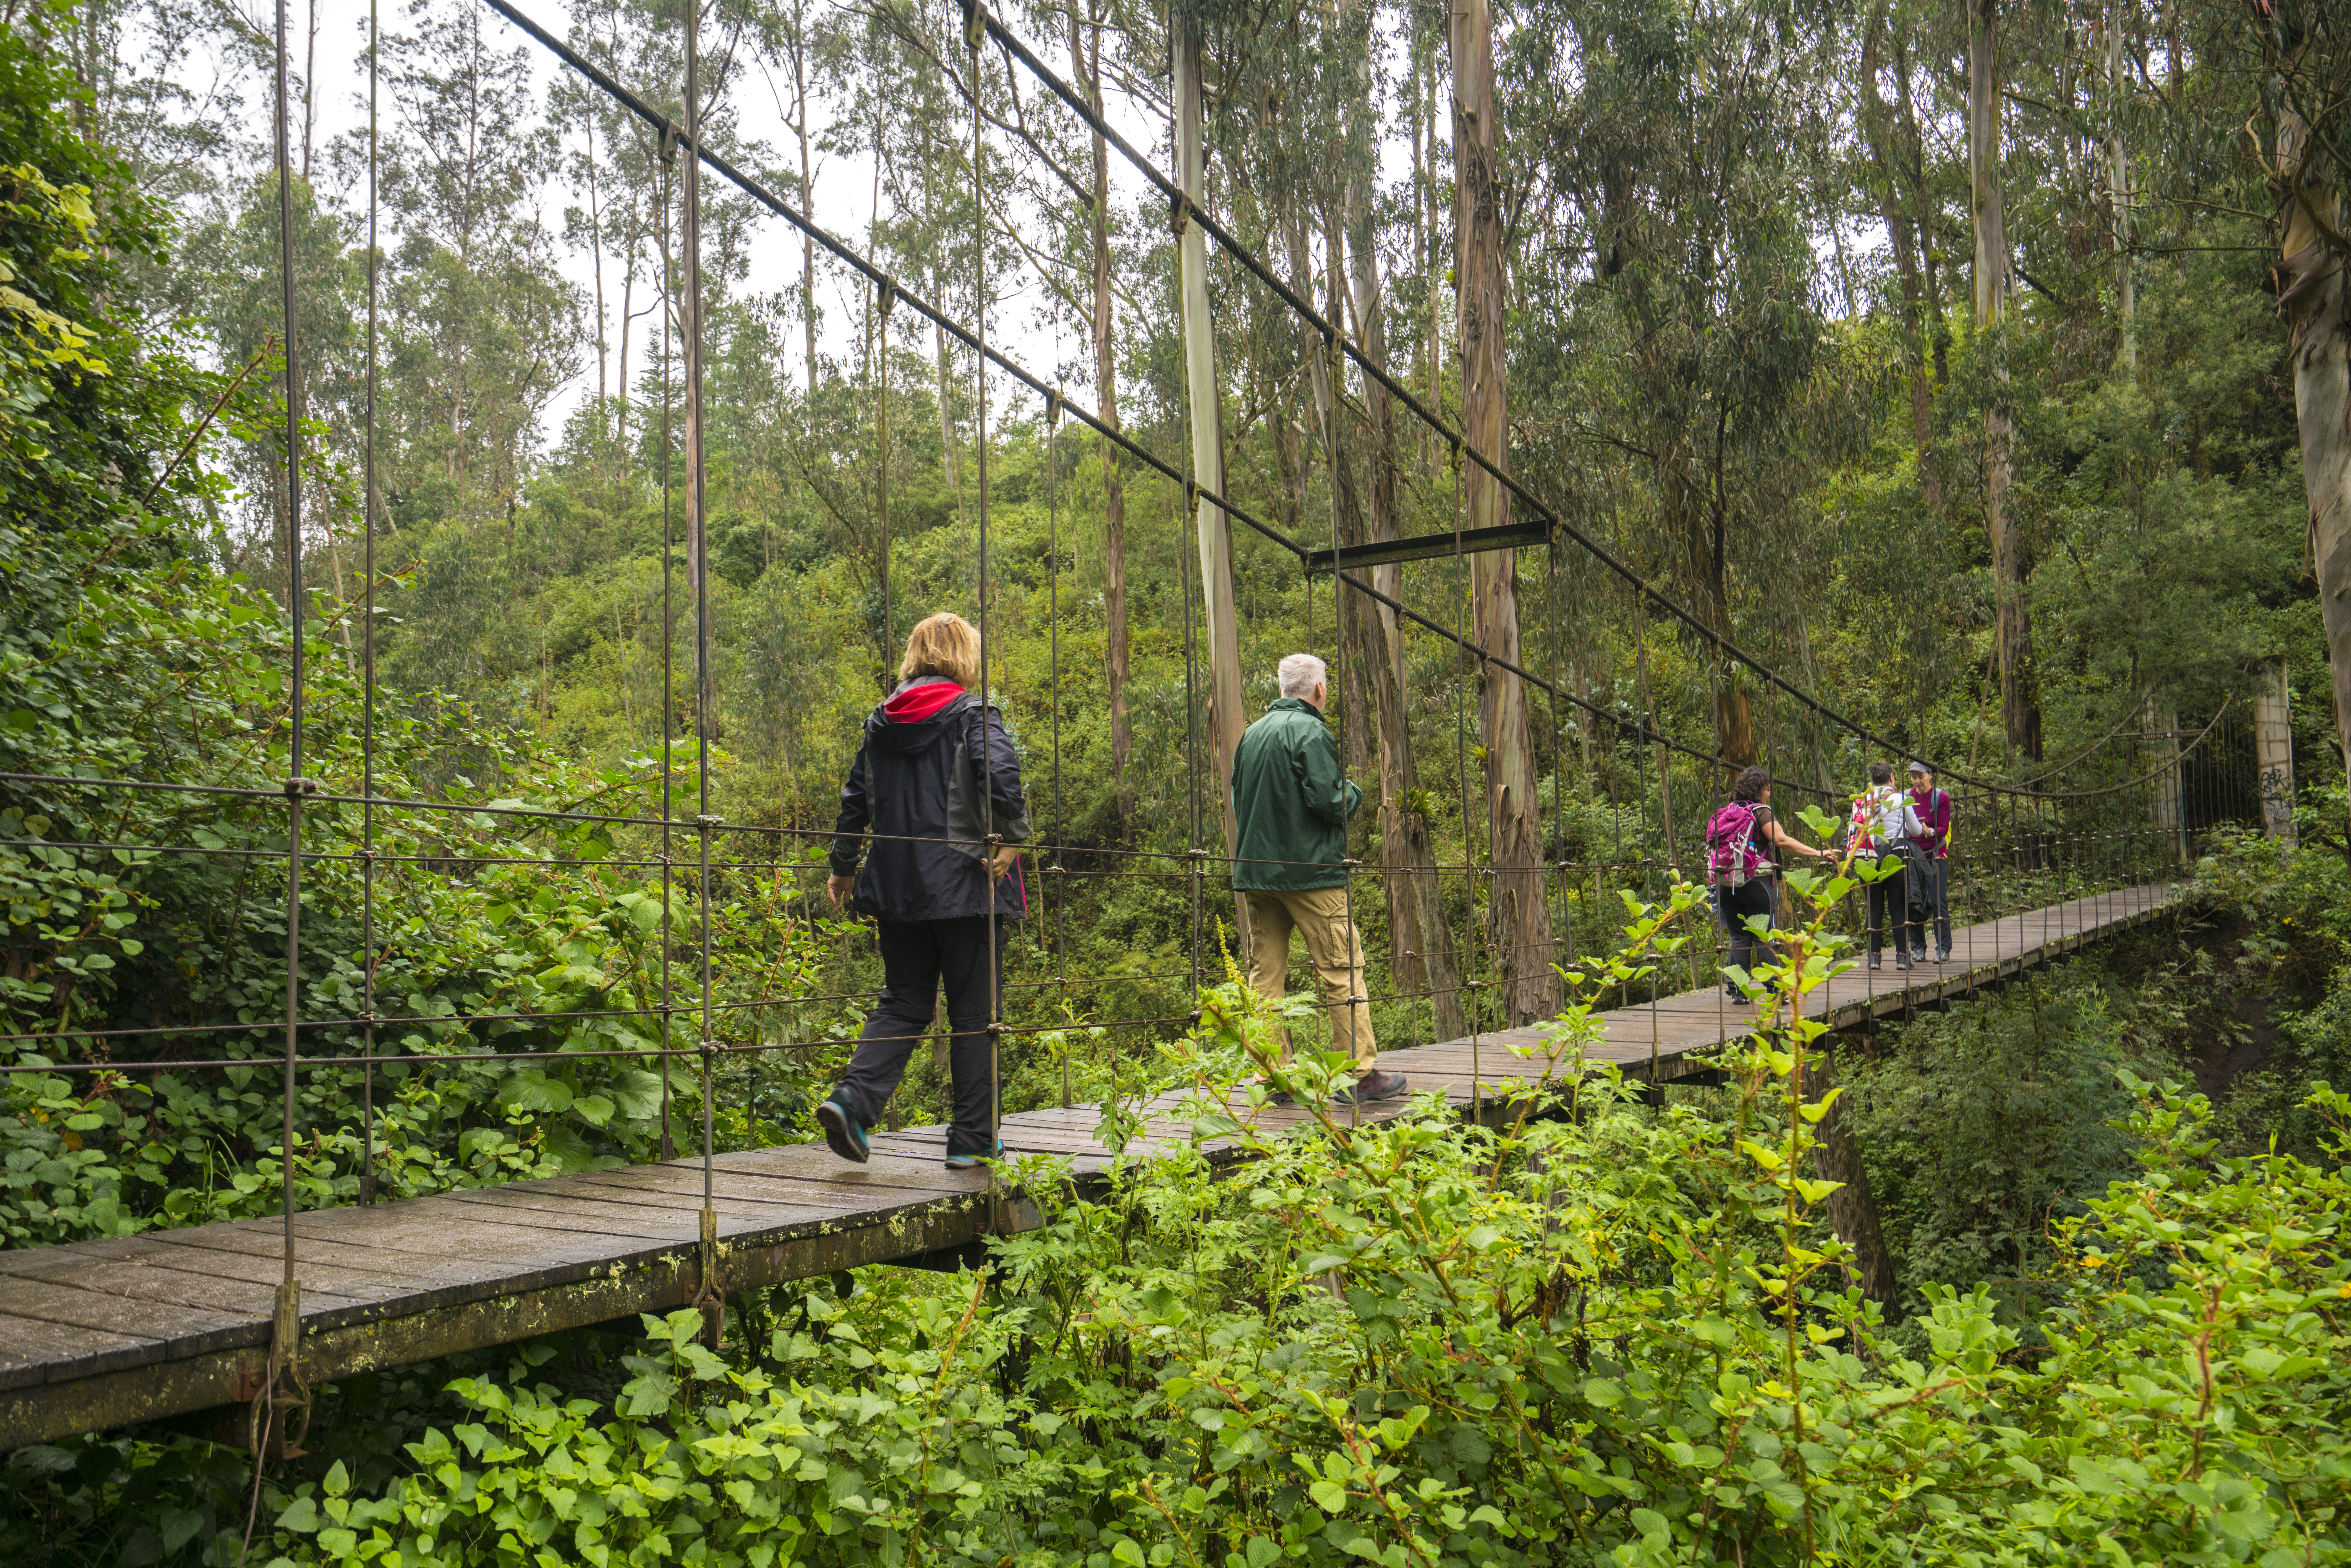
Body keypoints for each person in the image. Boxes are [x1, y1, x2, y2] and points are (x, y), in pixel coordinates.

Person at [815, 613, 1029, 1170]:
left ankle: (853, 1100)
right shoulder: (973, 714)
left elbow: (855, 800)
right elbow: (1000, 773)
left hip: (897, 887)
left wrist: (842, 867)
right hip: (967, 885)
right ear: (965, 656)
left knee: (905, 999)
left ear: (915, 654)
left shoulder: (880, 721)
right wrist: (1013, 837)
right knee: (975, 1015)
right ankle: (972, 1140)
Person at [1230, 653, 1404, 1105]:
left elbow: (1240, 799)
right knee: (1342, 970)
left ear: (1282, 687)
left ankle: (1273, 1077)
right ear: (1320, 689)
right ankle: (1357, 1075)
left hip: (1258, 875)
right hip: (1311, 875)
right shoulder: (1310, 730)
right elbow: (1330, 802)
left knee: (1265, 978)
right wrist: (1355, 793)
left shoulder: (1251, 735)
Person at [1705, 766, 1831, 1002]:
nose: (1770, 794)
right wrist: (1817, 853)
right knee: (1765, 937)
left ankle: (1738, 992)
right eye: (1767, 789)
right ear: (1758, 790)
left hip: (1726, 885)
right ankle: (1775, 990)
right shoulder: (1760, 812)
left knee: (1738, 937)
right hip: (1758, 885)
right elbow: (1781, 840)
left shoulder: (1727, 812)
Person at [1849, 761, 1925, 970]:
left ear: (1873, 781)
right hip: (1897, 857)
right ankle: (1902, 957)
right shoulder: (1901, 799)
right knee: (1898, 908)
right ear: (1892, 777)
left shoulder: (1861, 801)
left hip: (1869, 858)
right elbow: (1917, 831)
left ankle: (1874, 958)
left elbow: (1854, 832)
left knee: (1874, 908)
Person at [1906, 760, 1953, 963]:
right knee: (1913, 902)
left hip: (1936, 856)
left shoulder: (1941, 798)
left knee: (1937, 902)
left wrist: (1929, 832)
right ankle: (1917, 948)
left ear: (1930, 775)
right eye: (1913, 777)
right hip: (1914, 859)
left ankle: (1943, 949)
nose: (1917, 781)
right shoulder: (1907, 798)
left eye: (1921, 777)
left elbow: (1944, 828)